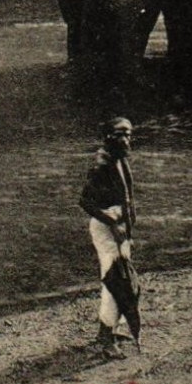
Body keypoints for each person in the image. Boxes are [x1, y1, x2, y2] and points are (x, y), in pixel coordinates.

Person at [79, 118, 139, 356]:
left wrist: (127, 223)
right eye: (119, 134)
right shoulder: (101, 166)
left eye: (128, 134)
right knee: (115, 279)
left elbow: (127, 197)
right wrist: (113, 222)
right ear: (108, 138)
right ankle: (105, 338)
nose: (125, 139)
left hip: (120, 227)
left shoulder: (120, 160)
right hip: (107, 228)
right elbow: (85, 202)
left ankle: (111, 329)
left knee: (123, 277)